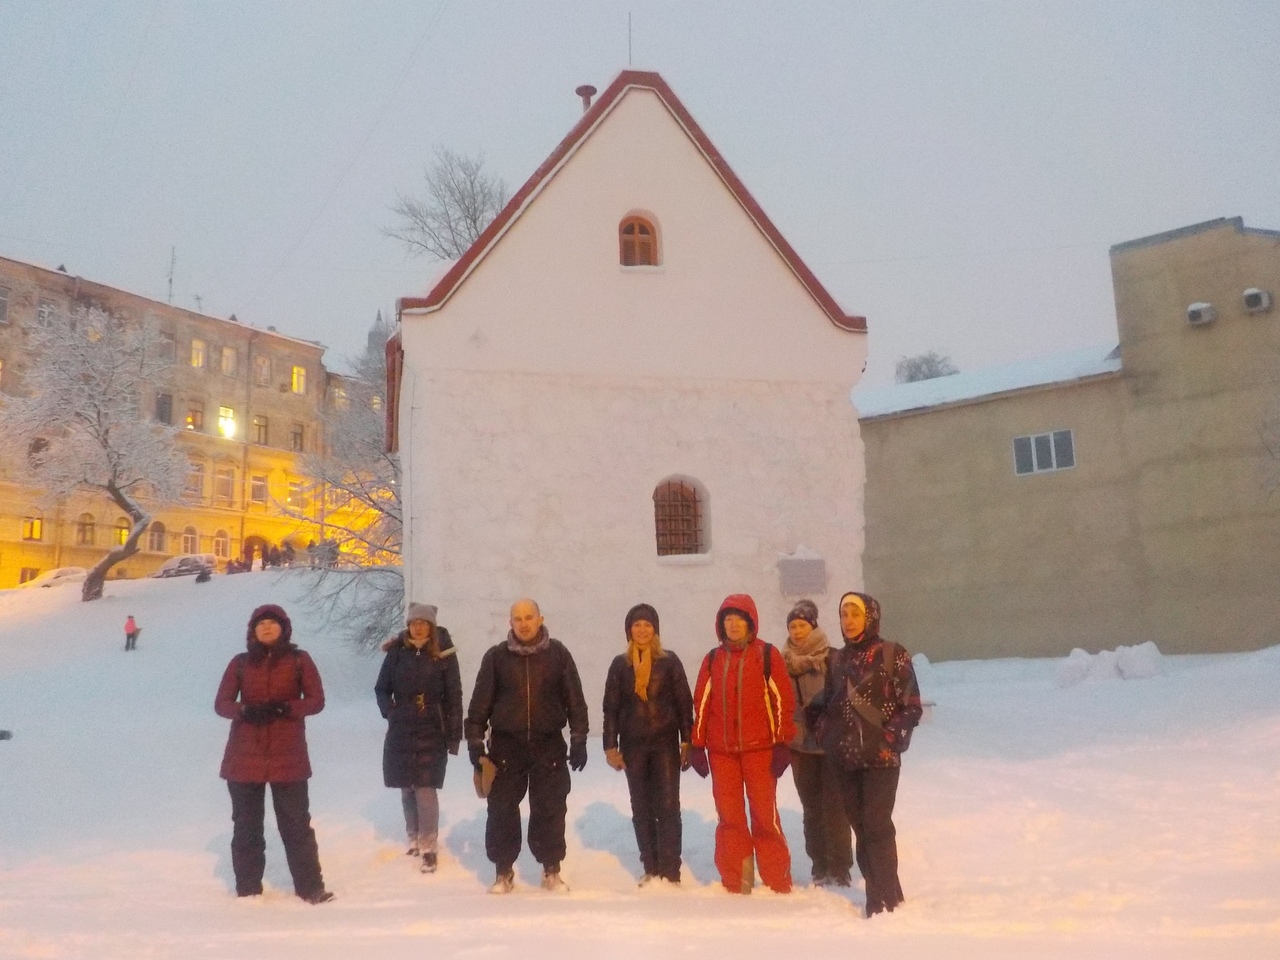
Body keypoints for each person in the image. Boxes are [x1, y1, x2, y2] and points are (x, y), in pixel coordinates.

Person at [465, 598, 589, 894]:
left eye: (529, 617)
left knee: (550, 807)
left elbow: (575, 699)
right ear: (510, 623)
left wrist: (579, 738)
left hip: (548, 745)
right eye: (517, 618)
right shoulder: (496, 658)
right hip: (506, 747)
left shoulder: (558, 655)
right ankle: (503, 871)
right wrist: (474, 742)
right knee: (502, 809)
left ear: (540, 619)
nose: (523, 623)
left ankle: (551, 869)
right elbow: (480, 703)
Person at [213, 604, 334, 904]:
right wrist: (244, 710)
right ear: (252, 631)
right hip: (243, 758)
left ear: (284, 628)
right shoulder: (240, 663)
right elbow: (221, 703)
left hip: (288, 757)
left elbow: (317, 700)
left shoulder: (299, 659)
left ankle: (311, 889)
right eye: (260, 623)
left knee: (296, 825)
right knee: (246, 827)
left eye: (272, 623)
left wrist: (288, 707)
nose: (266, 628)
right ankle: (248, 890)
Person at [812, 591, 922, 917]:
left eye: (855, 614)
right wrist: (826, 735)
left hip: (881, 759)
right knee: (860, 828)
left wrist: (890, 739)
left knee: (877, 826)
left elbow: (911, 706)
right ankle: (890, 893)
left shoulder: (892, 653)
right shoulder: (837, 659)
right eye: (844, 615)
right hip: (845, 760)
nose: (848, 621)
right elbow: (824, 705)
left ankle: (881, 901)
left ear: (870, 617)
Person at [687, 594, 796, 894]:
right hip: (722, 753)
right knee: (730, 818)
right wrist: (697, 745)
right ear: (721, 625)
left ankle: (777, 880)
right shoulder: (712, 659)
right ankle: (737, 880)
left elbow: (781, 700)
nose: (733, 625)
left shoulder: (766, 655)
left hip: (760, 750)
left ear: (751, 623)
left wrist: (782, 742)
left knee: (764, 816)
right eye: (728, 620)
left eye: (739, 619)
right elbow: (703, 702)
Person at [601, 603, 694, 885]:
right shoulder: (620, 665)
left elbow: (683, 703)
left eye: (647, 625)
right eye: (637, 625)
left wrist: (687, 740)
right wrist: (610, 746)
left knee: (667, 806)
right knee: (641, 807)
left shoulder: (669, 662)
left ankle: (671, 871)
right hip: (634, 747)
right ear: (629, 630)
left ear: (655, 630)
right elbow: (611, 708)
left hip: (665, 744)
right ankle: (651, 868)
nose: (642, 630)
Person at [374, 603, 463, 874]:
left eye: (424, 622)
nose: (418, 626)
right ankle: (412, 836)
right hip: (401, 727)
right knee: (407, 786)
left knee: (426, 787)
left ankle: (428, 846)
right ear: (408, 625)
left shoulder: (443, 654)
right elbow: (381, 688)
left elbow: (454, 695)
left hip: (432, 728)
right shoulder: (397, 653)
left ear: (431, 626)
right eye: (414, 623)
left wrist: (454, 734)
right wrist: (391, 711)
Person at [782, 599, 853, 887]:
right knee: (811, 808)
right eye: (792, 626)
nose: (797, 631)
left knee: (835, 807)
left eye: (802, 625)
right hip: (800, 746)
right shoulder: (782, 662)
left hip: (829, 745)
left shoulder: (832, 657)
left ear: (813, 626)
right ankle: (819, 865)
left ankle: (840, 867)